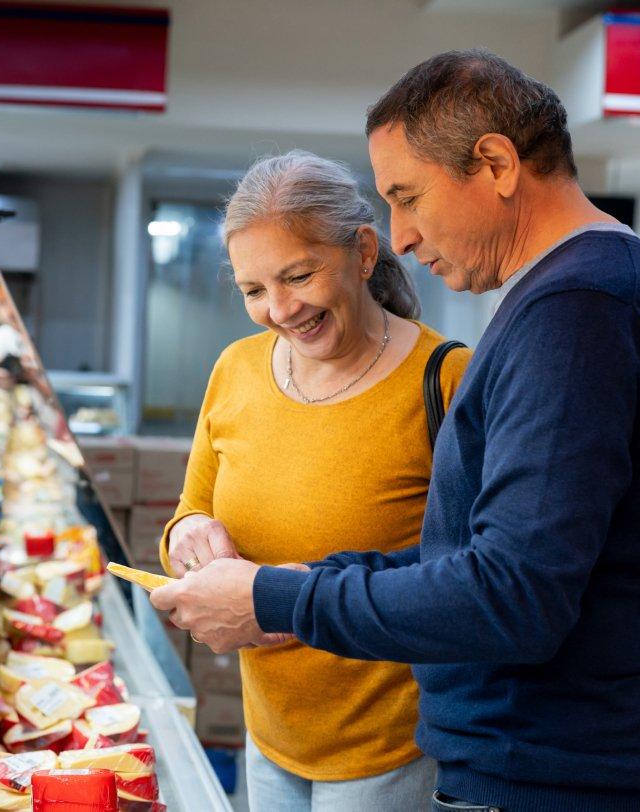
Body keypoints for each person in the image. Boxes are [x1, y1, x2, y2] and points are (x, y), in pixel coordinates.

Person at [151, 49, 640, 812]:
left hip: (557, 778)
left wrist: (278, 600)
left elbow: (511, 596)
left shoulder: (579, 315)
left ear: (496, 164)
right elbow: (478, 556)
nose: (404, 237)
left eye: (408, 197)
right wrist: (286, 585)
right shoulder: (574, 300)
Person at [159, 150, 471, 811]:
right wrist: (188, 537)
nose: (279, 309)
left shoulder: (447, 380)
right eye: (253, 290)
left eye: (298, 275)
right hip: (268, 737)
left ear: (363, 253)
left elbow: (470, 575)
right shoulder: (236, 369)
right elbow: (189, 512)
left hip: (392, 749)